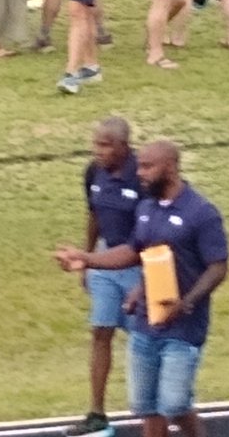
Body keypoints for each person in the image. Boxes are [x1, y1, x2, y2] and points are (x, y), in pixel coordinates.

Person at [56, 140, 229, 437]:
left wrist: (187, 302)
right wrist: (86, 259)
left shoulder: (201, 212)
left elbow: (218, 267)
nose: (141, 173)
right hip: (147, 323)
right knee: (145, 405)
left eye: (148, 167)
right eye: (140, 167)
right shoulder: (146, 208)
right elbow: (132, 251)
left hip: (184, 328)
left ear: (171, 168)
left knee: (174, 405)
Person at [64, 118, 143, 437]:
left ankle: (158, 408)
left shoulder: (143, 175)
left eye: (106, 145)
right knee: (100, 332)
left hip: (138, 265)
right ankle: (97, 413)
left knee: (144, 338)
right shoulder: (93, 172)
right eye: (96, 144)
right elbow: (93, 214)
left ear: (124, 146)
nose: (98, 151)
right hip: (104, 260)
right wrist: (87, 259)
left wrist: (146, 279)